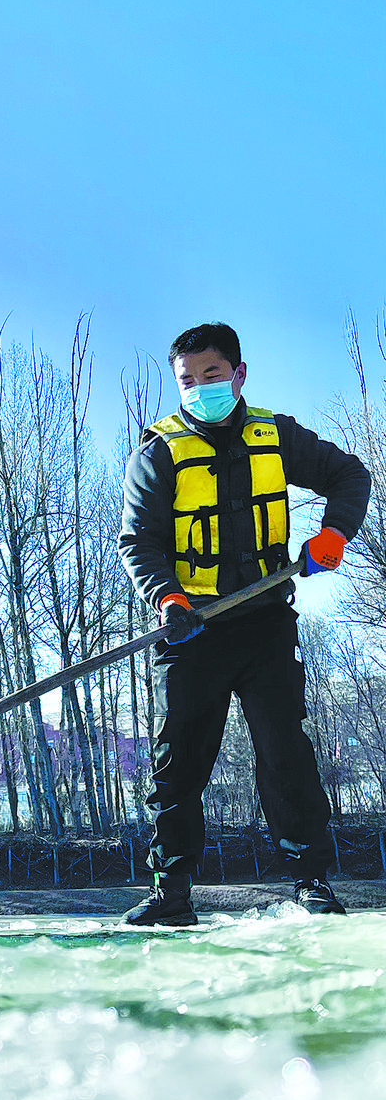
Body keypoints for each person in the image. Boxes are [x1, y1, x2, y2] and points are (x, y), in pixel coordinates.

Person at [118, 322, 371, 926]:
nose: (199, 387)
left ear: (238, 374)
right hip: (192, 629)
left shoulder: (276, 436)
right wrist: (167, 599)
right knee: (178, 763)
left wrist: (334, 534)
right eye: (187, 380)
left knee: (286, 753)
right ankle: (171, 893)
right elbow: (138, 541)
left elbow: (349, 476)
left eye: (211, 374)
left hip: (265, 624)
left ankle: (311, 882)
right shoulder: (157, 451)